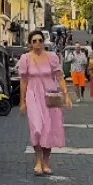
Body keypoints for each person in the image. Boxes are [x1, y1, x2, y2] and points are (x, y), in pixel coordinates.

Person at [18, 28, 72, 174]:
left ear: (44, 42)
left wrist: (66, 94)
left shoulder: (51, 57)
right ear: (30, 43)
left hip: (50, 95)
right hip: (33, 95)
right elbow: (23, 80)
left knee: (49, 128)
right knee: (36, 127)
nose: (37, 43)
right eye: (34, 41)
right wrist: (22, 101)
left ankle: (46, 163)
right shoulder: (25, 59)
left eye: (40, 41)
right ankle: (38, 161)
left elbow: (60, 76)